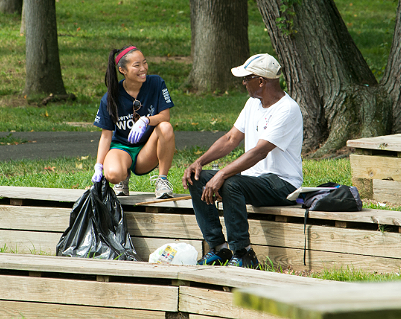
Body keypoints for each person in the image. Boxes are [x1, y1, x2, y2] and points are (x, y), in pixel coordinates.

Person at [182, 54, 303, 268]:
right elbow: (230, 139)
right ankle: (219, 249)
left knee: (231, 183)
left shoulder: (287, 109)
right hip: (254, 181)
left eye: (247, 78)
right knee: (196, 178)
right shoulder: (252, 104)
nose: (243, 82)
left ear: (261, 81)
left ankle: (244, 252)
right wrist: (200, 161)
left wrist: (221, 174)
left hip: (282, 184)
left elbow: (259, 152)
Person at [92, 45, 175, 199]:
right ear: (123, 70)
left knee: (166, 127)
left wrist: (146, 120)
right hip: (121, 149)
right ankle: (122, 177)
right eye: (137, 65)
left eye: (144, 63)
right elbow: (106, 136)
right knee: (113, 174)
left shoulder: (156, 83)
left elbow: (165, 116)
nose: (143, 68)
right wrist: (98, 166)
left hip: (146, 151)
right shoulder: (110, 97)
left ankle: (162, 180)